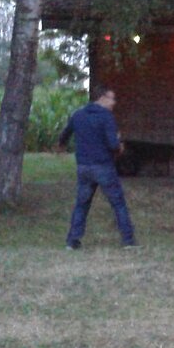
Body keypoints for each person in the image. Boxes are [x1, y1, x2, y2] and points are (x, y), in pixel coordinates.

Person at [59, 86, 137, 249]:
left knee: (82, 204)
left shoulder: (78, 114)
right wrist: (120, 145)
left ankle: (72, 241)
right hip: (103, 167)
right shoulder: (106, 117)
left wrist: (62, 147)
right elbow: (113, 145)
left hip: (83, 167)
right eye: (112, 98)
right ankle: (128, 240)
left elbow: (64, 136)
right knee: (118, 203)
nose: (114, 103)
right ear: (102, 98)